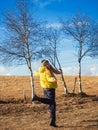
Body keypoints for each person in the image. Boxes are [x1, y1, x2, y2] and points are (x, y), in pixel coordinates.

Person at [32, 60, 62, 127]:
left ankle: (52, 121)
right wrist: (53, 79)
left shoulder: (41, 70)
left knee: (51, 104)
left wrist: (59, 72)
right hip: (50, 88)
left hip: (45, 88)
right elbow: (49, 78)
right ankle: (37, 98)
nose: (48, 65)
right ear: (44, 65)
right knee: (52, 102)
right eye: (47, 64)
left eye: (48, 63)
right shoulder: (47, 71)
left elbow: (37, 73)